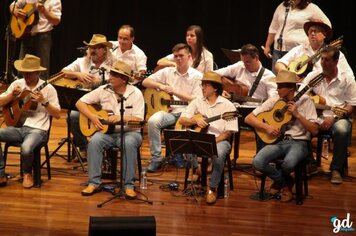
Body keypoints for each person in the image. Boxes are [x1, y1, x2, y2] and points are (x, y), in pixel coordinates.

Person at [245, 69, 319, 202]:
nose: (277, 89)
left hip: (299, 143)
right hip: (280, 142)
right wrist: (267, 127)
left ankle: (280, 182)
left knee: (288, 164)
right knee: (257, 162)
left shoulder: (306, 101)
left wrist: (297, 115)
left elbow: (315, 131)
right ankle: (286, 183)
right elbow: (248, 118)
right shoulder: (275, 100)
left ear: (291, 88)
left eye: (280, 86)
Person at [77, 60, 144, 198]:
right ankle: (94, 183)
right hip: (107, 132)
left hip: (130, 132)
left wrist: (122, 118)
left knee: (129, 143)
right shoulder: (104, 89)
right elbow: (80, 102)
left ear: (124, 78)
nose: (110, 76)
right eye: (111, 73)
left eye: (114, 74)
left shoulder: (136, 93)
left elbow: (140, 121)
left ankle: (128, 185)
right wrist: (93, 117)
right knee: (95, 142)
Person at [0, 54, 61, 188]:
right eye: (24, 72)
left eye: (29, 73)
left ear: (38, 72)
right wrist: (11, 95)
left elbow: (57, 114)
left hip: (38, 129)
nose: (26, 75)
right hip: (18, 128)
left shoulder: (48, 88)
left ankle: (27, 173)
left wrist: (44, 102)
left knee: (26, 148)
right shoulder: (17, 84)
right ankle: (1, 174)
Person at [178, 71, 238, 204]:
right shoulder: (197, 102)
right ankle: (196, 169)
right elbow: (182, 120)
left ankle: (212, 187)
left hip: (220, 140)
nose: (202, 88)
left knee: (219, 152)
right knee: (184, 144)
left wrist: (212, 141)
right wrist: (194, 121)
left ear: (215, 88)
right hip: (200, 138)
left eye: (206, 85)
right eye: (202, 85)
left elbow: (229, 132)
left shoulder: (228, 106)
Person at [142, 43, 203, 172]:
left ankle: (189, 159)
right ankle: (156, 158)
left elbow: (196, 100)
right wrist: (161, 86)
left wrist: (174, 92)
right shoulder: (167, 71)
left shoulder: (197, 76)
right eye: (176, 56)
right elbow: (145, 82)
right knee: (153, 121)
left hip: (188, 113)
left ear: (189, 56)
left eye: (181, 56)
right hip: (169, 111)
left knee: (184, 125)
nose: (178, 59)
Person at [301, 46, 356, 184]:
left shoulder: (347, 78)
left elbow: (351, 105)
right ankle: (310, 163)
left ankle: (336, 169)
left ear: (336, 62)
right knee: (301, 126)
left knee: (342, 130)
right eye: (322, 59)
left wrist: (334, 117)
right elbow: (300, 95)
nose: (323, 63)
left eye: (327, 60)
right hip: (316, 116)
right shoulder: (313, 77)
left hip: (339, 117)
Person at [62, 34, 114, 160]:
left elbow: (121, 79)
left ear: (104, 50)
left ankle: (104, 148)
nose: (93, 50)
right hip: (85, 103)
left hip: (105, 103)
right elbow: (63, 71)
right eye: (91, 47)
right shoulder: (82, 61)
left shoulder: (113, 63)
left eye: (96, 47)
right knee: (72, 116)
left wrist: (103, 80)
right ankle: (83, 147)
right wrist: (77, 74)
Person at [263, 0, 330, 74]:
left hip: (298, 51)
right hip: (278, 50)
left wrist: (317, 24)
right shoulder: (282, 7)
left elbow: (327, 25)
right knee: (277, 78)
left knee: (292, 78)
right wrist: (267, 45)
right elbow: (274, 27)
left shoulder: (311, 8)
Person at [275, 20, 354, 79]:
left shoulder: (333, 53)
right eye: (310, 31)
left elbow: (349, 75)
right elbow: (279, 64)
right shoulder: (300, 49)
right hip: (298, 88)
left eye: (316, 31)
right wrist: (290, 76)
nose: (312, 34)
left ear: (324, 35)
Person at [10, 0, 62, 80]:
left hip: (43, 37)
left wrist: (44, 11)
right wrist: (16, 12)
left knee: (42, 70)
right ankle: (20, 90)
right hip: (26, 35)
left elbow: (56, 21)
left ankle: (41, 91)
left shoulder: (54, 1)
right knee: (22, 68)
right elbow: (12, 6)